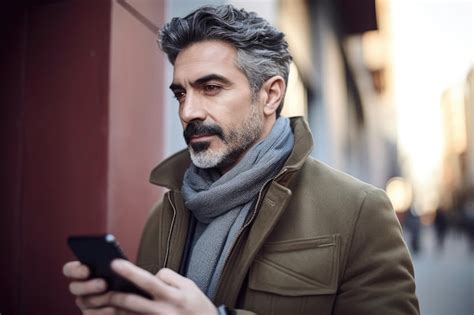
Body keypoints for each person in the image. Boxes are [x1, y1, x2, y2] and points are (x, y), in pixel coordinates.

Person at [63, 4, 419, 315]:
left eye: (211, 88)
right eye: (180, 93)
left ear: (270, 95)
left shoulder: (359, 210)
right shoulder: (165, 214)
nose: (188, 111)